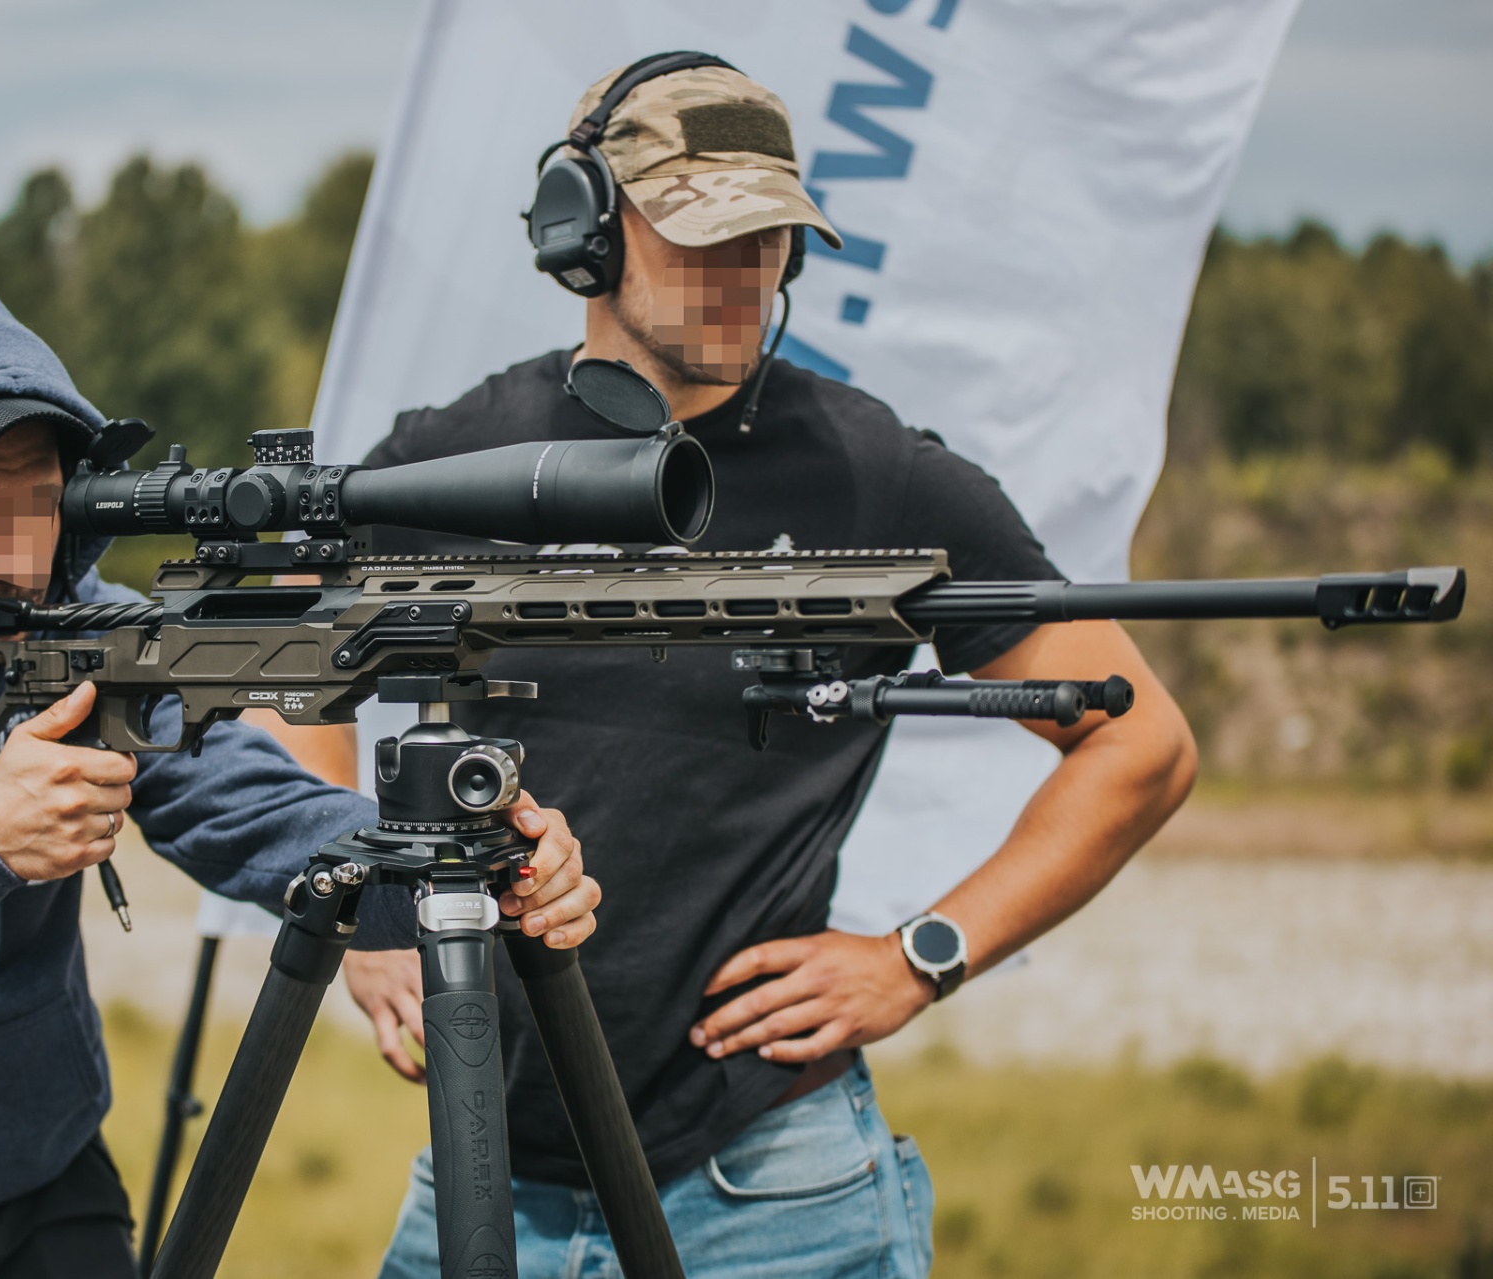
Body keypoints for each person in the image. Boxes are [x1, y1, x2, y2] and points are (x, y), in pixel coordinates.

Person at [334, 58, 1199, 1278]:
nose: (745, 276)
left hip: (771, 1190)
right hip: (480, 1174)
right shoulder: (451, 459)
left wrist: (921, 955)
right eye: (704, 236)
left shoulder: (878, 477)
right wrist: (365, 922)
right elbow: (291, 671)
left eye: (770, 240)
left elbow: (1140, 740)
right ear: (584, 229)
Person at [0, 262, 601, 1279]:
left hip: (45, 1194)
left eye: (35, 506)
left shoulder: (82, 639)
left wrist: (466, 868)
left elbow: (263, 820)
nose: (8, 558)